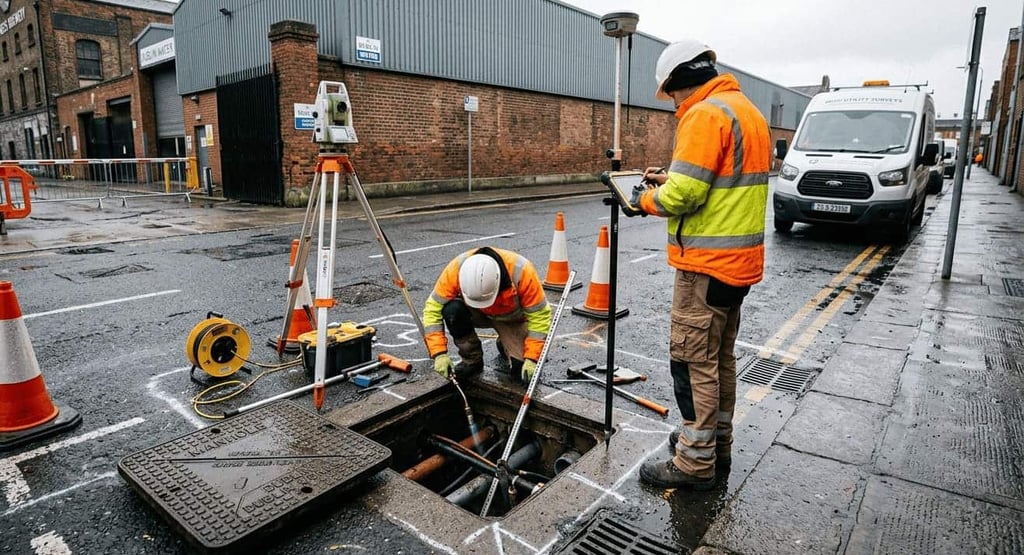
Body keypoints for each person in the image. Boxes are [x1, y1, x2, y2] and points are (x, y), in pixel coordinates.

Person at [628, 39, 770, 490]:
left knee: (691, 363)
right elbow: (718, 178)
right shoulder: (746, 111)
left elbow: (684, 196)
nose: (674, 105)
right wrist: (670, 177)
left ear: (682, 81)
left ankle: (693, 462)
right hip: (738, 264)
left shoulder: (705, 114)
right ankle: (715, 444)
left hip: (705, 266)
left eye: (672, 94)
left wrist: (644, 199)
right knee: (719, 358)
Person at [423, 246, 551, 384]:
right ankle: (472, 360)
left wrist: (532, 358)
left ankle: (505, 343)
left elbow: (540, 317)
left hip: (512, 319)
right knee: (453, 311)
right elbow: (432, 309)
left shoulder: (522, 271)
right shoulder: (457, 269)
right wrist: (439, 353)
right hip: (475, 313)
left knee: (521, 373)